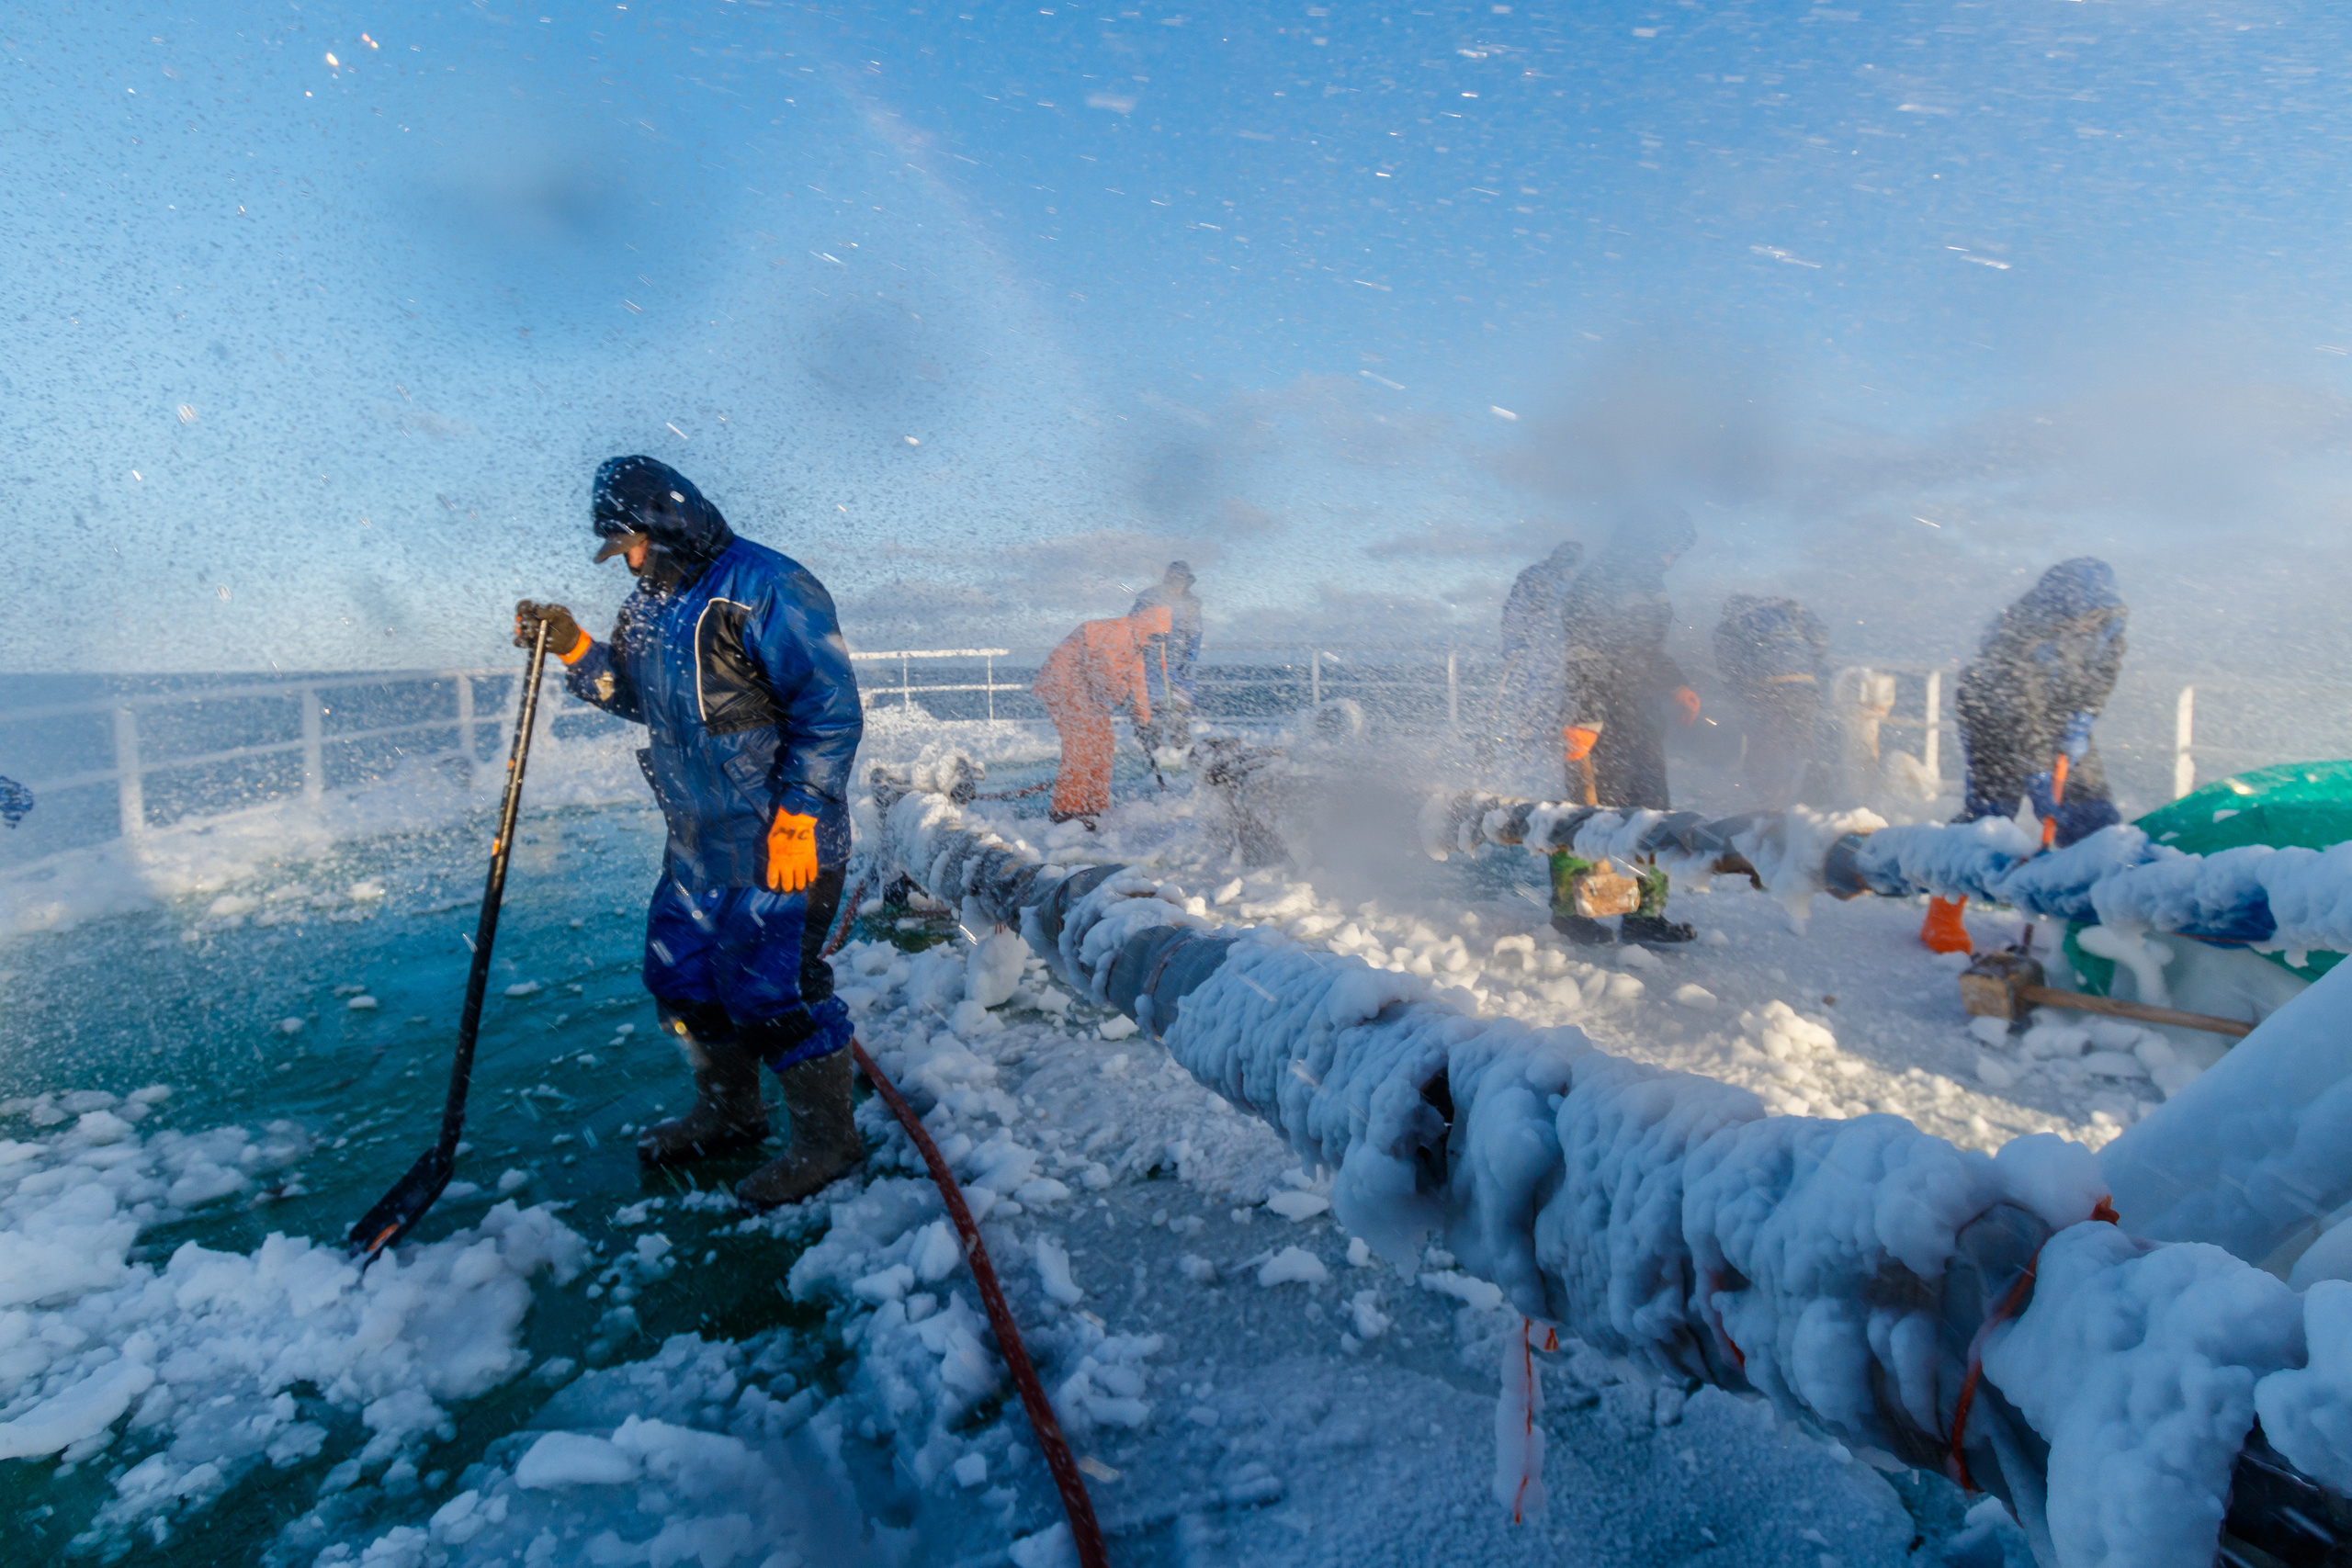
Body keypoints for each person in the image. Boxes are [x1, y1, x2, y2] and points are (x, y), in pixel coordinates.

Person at [514, 456, 865, 1209]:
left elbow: (829, 711)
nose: (630, 561)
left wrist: (802, 813)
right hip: (696, 846)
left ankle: (829, 1142)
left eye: (635, 543)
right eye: (620, 551)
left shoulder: (769, 585)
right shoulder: (647, 606)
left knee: (775, 994)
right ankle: (731, 1109)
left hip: (780, 843)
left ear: (670, 522)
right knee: (681, 981)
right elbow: (639, 696)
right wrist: (575, 647)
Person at [1922, 558, 2128, 953]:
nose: (2080, 624)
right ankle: (1942, 915)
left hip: (2061, 715)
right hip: (1993, 713)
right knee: (1990, 815)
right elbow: (2021, 711)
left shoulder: (2111, 623)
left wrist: (2085, 716)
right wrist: (2035, 775)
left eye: (2088, 615)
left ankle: (2088, 924)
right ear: (2053, 607)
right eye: (2070, 616)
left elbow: (2104, 672)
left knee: (2093, 816)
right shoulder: (2018, 632)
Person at [1552, 506, 1702, 946]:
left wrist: (1677, 686)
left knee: (1653, 815)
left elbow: (1646, 651)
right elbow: (1584, 654)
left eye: (1676, 552)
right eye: (1666, 549)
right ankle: (1572, 911)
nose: (1670, 560)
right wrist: (1584, 716)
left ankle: (1644, 913)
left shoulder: (1650, 584)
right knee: (1590, 815)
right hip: (1598, 716)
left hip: (1641, 714)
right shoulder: (1596, 584)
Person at [1033, 604, 1175, 823]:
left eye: (1161, 639)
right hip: (1063, 684)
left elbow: (1138, 685)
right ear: (1146, 626)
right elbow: (1101, 671)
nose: (1156, 643)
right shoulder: (1116, 632)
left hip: (1087, 690)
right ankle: (1067, 810)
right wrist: (1125, 698)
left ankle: (1095, 805)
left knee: (1103, 743)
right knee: (1081, 746)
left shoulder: (1137, 647)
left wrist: (1143, 722)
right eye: (1156, 636)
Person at [1478, 541, 1583, 791]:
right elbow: (1514, 614)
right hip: (1537, 655)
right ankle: (1527, 766)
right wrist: (1512, 648)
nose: (1570, 570)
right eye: (1569, 564)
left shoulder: (1575, 581)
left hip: (1567, 657)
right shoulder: (1535, 578)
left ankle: (1558, 768)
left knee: (1563, 711)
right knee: (1533, 707)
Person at [1713, 594, 1832, 809]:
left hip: (1764, 684)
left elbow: (1730, 668)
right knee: (1798, 739)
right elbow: (1820, 636)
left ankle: (1770, 801)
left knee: (1764, 742)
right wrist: (1806, 667)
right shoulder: (1787, 608)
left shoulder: (1729, 624)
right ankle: (1807, 797)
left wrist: (1739, 696)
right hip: (1803, 684)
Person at [1130, 562, 1203, 752]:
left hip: (1180, 666)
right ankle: (1151, 748)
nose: (1179, 584)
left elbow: (1195, 634)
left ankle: (1180, 750)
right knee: (1152, 708)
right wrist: (1149, 635)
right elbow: (1132, 625)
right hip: (1151, 662)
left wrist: (1190, 659)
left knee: (1179, 709)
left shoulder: (1191, 604)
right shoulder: (1149, 597)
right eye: (1175, 579)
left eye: (1183, 580)